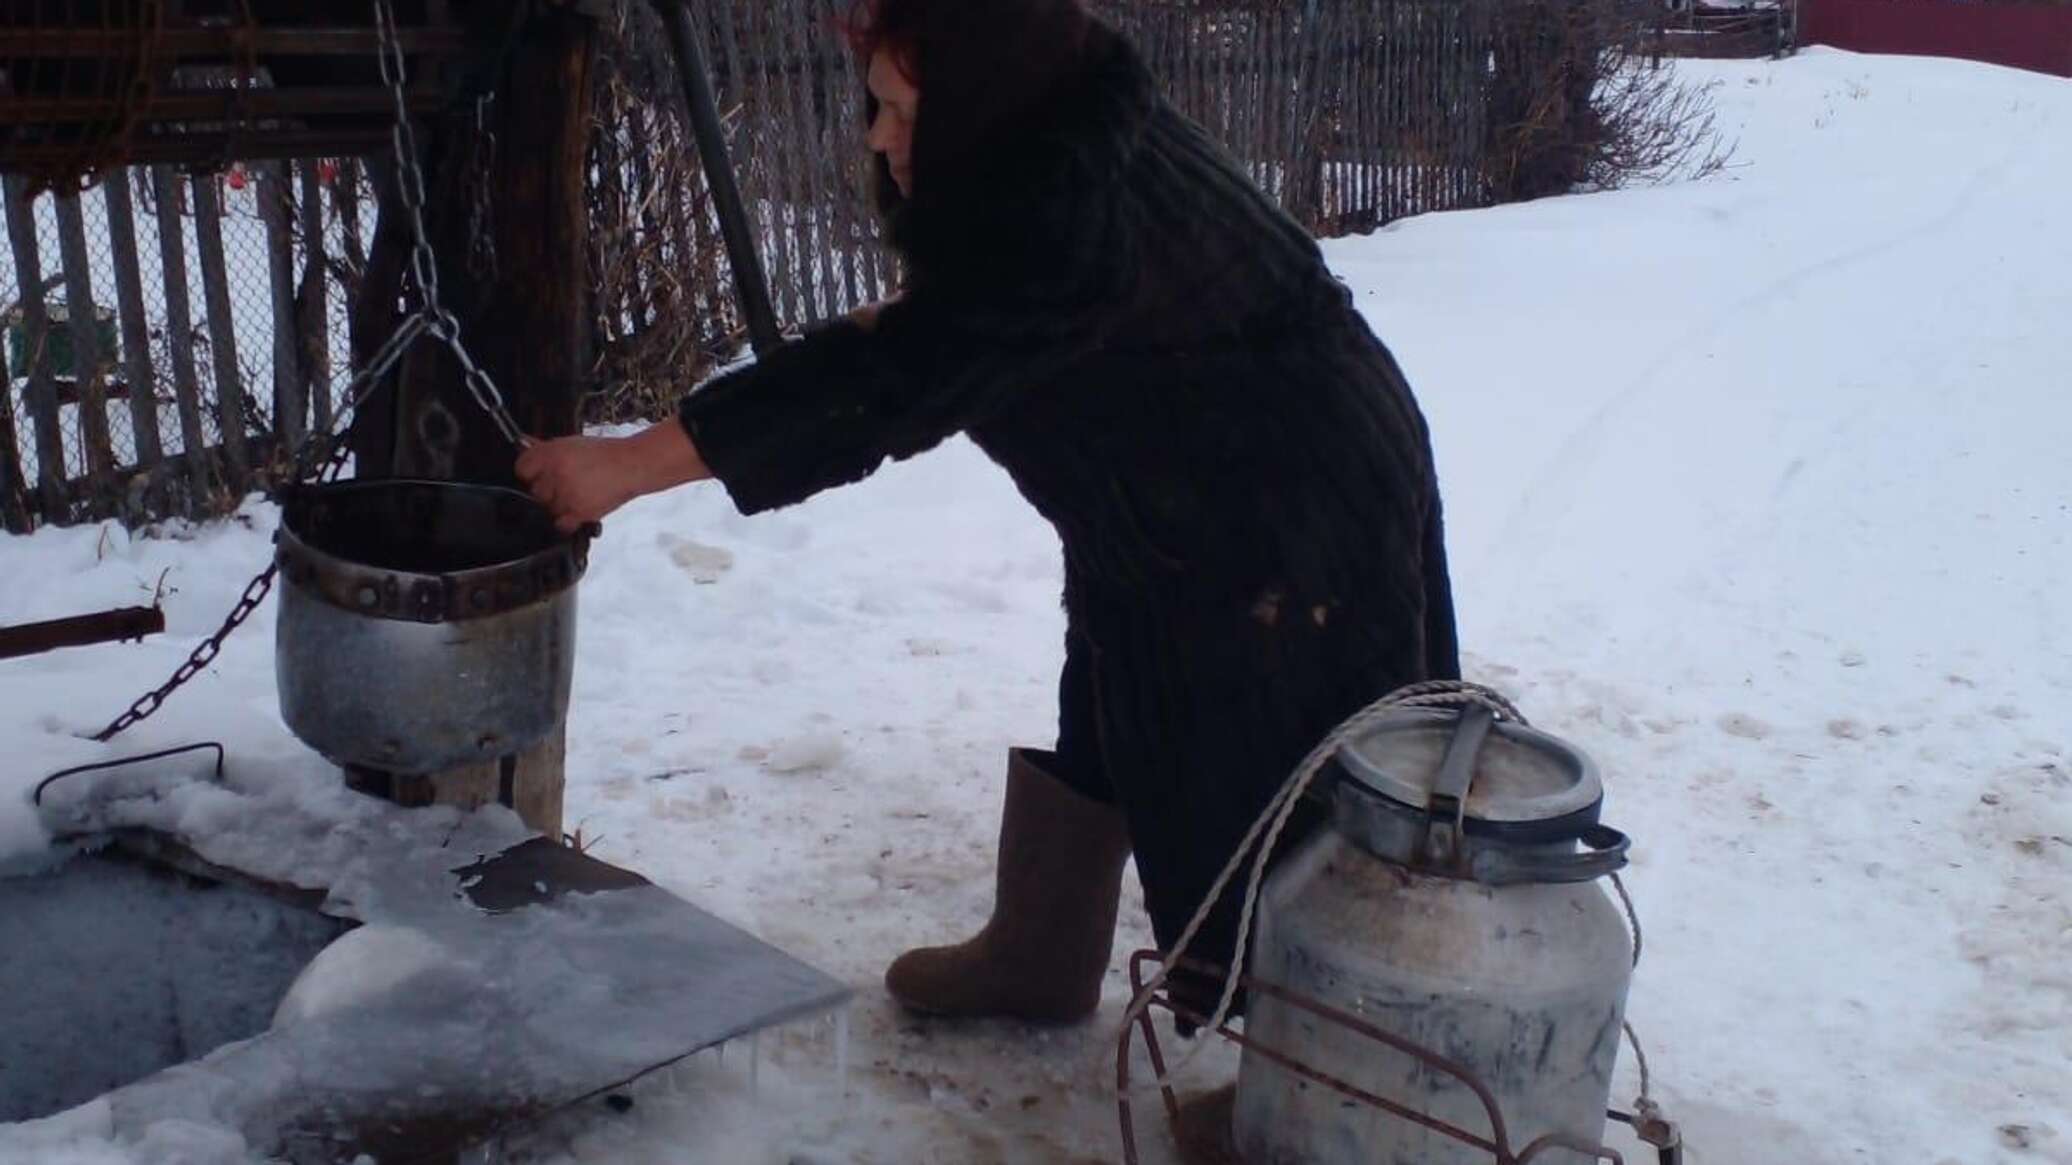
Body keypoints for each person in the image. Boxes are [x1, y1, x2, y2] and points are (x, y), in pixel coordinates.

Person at [517, 0, 1460, 1029]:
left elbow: (892, 379)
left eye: (898, 112)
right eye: (872, 105)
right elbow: (936, 327)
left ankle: (1308, 1062)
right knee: (1117, 672)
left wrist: (626, 465)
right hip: (1181, 489)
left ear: (979, 105)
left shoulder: (1054, 213)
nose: (875, 136)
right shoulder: (1051, 131)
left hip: (1289, 503)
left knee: (1272, 768)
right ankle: (1037, 956)